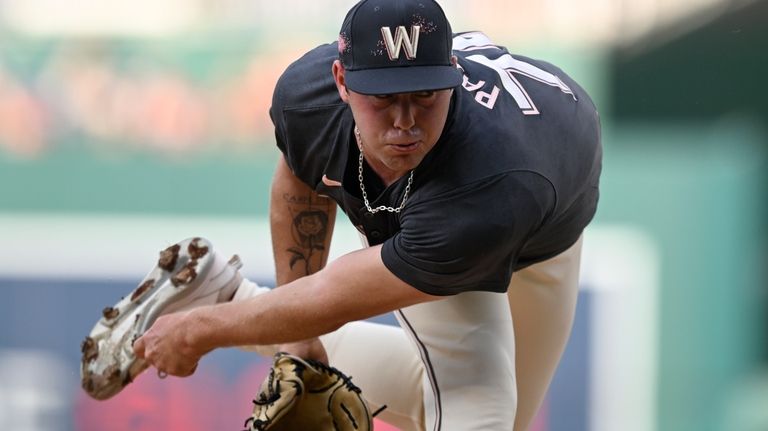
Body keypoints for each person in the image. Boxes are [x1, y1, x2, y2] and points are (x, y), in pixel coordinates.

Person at [83, 0, 602, 429]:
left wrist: (205, 328)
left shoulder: (492, 181)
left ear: (454, 77)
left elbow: (335, 297)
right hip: (471, 207)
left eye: (424, 93)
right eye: (382, 96)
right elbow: (302, 175)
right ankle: (226, 297)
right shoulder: (306, 96)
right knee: (481, 413)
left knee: (489, 414)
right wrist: (297, 340)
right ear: (341, 80)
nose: (405, 122)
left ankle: (223, 294)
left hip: (534, 229)